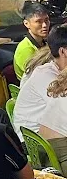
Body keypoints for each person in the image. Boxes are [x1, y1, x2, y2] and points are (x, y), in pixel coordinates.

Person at [14, 25, 67, 169]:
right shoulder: (48, 76)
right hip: (34, 145)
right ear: (63, 51)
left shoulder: (54, 71)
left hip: (44, 139)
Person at [14, 1, 51, 81]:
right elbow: (38, 78)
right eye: (38, 21)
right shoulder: (25, 49)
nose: (44, 25)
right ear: (26, 23)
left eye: (46, 20)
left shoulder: (44, 43)